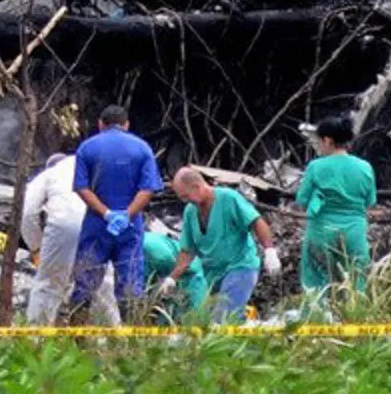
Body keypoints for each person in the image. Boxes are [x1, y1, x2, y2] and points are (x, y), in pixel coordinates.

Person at [71, 105, 164, 318]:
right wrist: (126, 214)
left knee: (85, 284)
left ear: (100, 124)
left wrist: (106, 213)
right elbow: (148, 188)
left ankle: (75, 335)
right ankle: (131, 335)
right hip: (130, 228)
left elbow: (81, 187)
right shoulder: (142, 148)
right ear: (126, 125)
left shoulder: (87, 148)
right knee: (130, 287)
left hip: (96, 225)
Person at [160, 167, 281, 321]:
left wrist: (270, 251)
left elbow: (256, 221)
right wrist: (172, 278)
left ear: (197, 187)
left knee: (223, 319)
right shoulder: (190, 211)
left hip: (240, 267)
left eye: (186, 196)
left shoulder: (228, 198)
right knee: (208, 320)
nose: (185, 201)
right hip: (213, 275)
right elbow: (187, 250)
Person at [20, 153, 122, 325]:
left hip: (65, 224)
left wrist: (36, 247)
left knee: (49, 285)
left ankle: (36, 334)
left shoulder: (49, 174)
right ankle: (113, 335)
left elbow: (28, 212)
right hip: (99, 224)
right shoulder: (95, 171)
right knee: (102, 286)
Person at [297, 116, 376, 293]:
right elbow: (370, 202)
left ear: (327, 140)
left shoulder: (316, 167)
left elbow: (302, 201)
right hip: (355, 233)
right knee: (356, 284)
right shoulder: (365, 167)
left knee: (316, 285)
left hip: (321, 231)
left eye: (319, 142)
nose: (319, 146)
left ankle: (319, 311)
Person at [142, 232, 207, 320]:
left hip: (189, 274)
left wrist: (171, 279)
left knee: (193, 318)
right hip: (163, 276)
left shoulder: (155, 253)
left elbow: (182, 263)